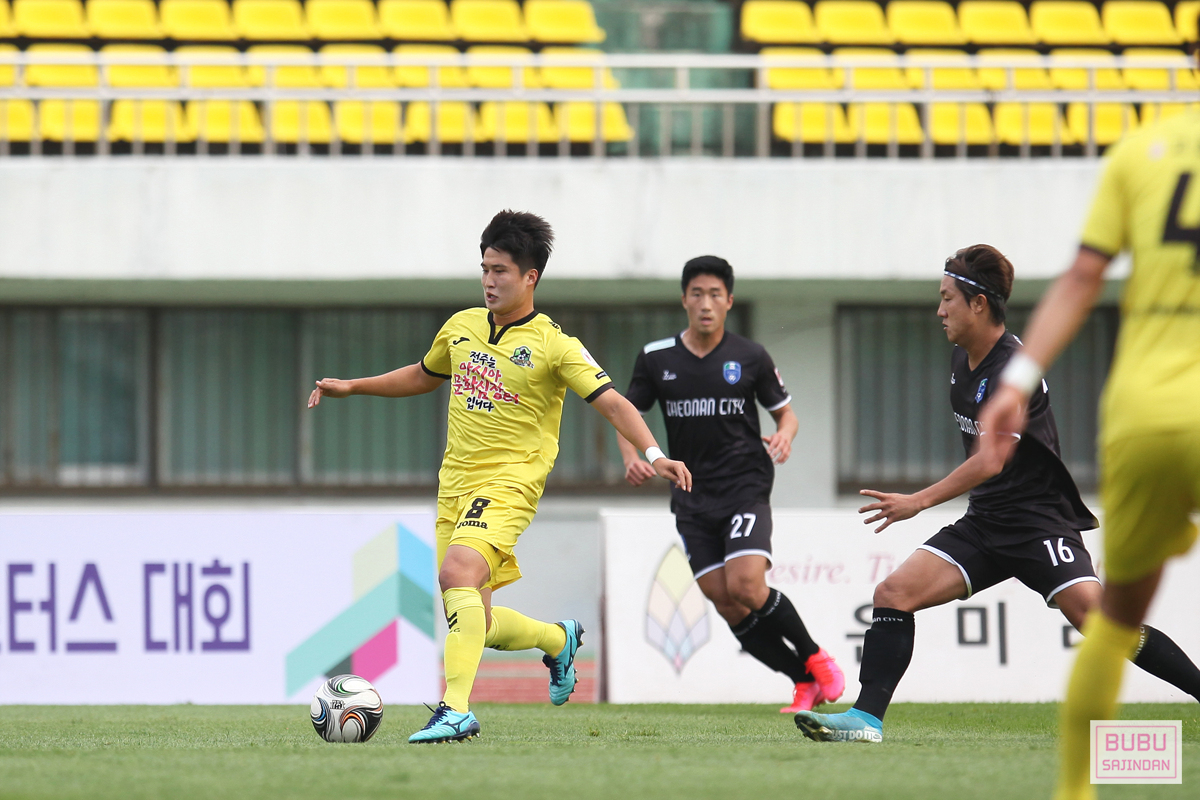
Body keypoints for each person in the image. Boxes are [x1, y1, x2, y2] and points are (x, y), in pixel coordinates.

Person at [308, 210, 691, 744]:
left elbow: (612, 403)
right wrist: (354, 386)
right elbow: (423, 375)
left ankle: (455, 710)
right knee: (476, 622)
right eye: (485, 269)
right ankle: (558, 640)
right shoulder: (461, 327)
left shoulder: (556, 345)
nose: (489, 281)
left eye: (501, 271)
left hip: (510, 483)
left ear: (530, 277)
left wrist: (654, 454)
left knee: (456, 574)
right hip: (454, 484)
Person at [794, 245, 1200, 745]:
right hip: (986, 523)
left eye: (947, 299)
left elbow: (991, 460)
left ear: (979, 304)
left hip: (1039, 523)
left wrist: (917, 501)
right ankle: (866, 720)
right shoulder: (961, 360)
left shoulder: (1014, 369)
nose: (939, 310)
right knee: (893, 595)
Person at [978, 114, 1200, 799]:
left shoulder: (1141, 152)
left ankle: (1075, 790)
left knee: (1114, 620)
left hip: (1146, 413)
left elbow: (1083, 277)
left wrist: (1016, 382)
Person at [616, 255, 845, 714]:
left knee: (746, 586)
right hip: (690, 493)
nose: (706, 303)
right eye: (697, 294)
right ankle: (802, 681)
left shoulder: (750, 356)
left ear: (729, 302)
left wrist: (785, 434)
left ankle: (817, 657)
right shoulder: (656, 357)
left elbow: (786, 414)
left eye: (715, 295)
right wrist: (632, 458)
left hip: (744, 484)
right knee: (723, 600)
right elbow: (625, 412)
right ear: (684, 300)